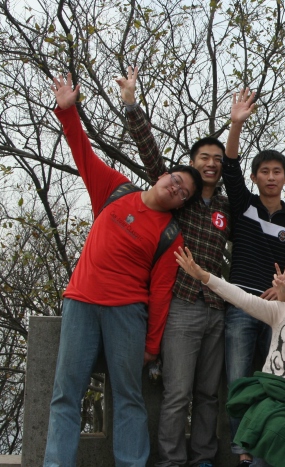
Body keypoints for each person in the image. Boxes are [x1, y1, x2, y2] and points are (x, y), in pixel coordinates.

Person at [44, 74, 202, 466]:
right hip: (81, 302)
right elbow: (83, 154)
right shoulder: (116, 190)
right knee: (66, 394)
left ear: (181, 204)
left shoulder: (171, 235)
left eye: (183, 193)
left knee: (129, 397)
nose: (176, 189)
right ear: (162, 176)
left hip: (127, 314)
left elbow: (161, 293)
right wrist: (68, 111)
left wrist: (152, 346)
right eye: (176, 180)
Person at [116, 65, 252, 467]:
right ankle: (172, 461)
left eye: (216, 159)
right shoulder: (182, 198)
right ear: (192, 163)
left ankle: (203, 459)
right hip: (182, 303)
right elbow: (151, 156)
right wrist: (131, 105)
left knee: (209, 393)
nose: (211, 164)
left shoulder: (227, 206)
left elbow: (255, 223)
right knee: (177, 392)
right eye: (203, 158)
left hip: (216, 307)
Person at [174, 250, 285, 467]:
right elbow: (243, 299)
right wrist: (205, 277)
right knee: (274, 430)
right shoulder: (284, 312)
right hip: (272, 399)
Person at [221, 90, 285, 467]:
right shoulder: (244, 207)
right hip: (241, 304)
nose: (271, 177)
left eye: (277, 172)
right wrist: (236, 124)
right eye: (264, 171)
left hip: (277, 312)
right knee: (238, 380)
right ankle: (241, 451)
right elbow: (230, 167)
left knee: (275, 381)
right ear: (255, 177)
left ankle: (268, 451)